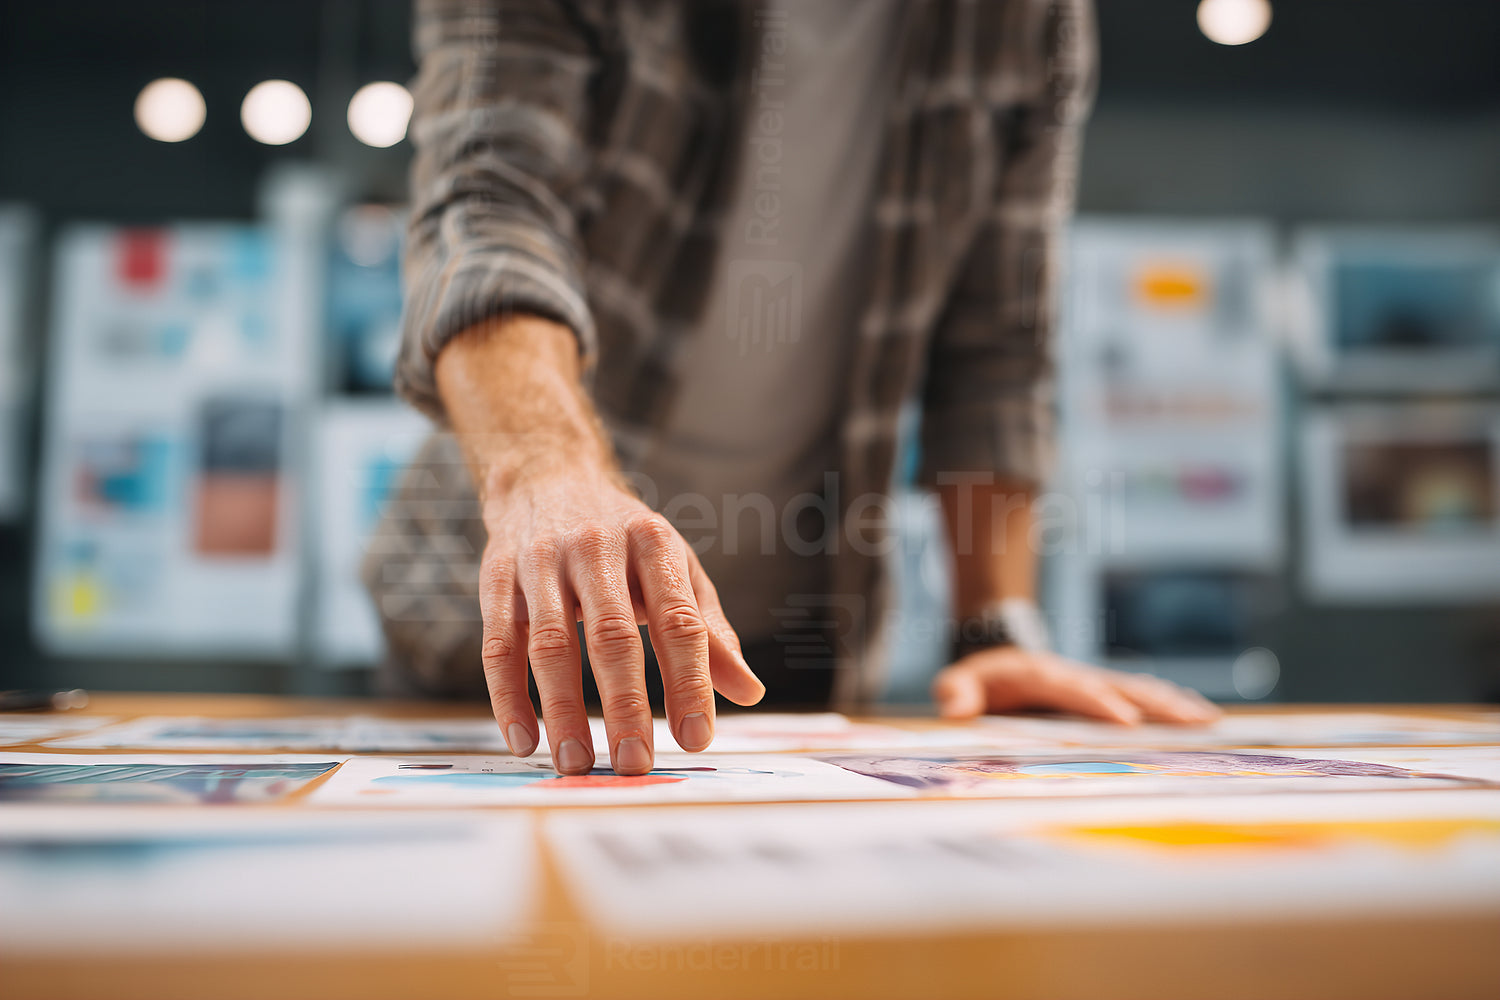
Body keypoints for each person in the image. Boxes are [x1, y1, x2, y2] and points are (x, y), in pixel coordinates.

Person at [365, 0, 1219, 778]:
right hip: (507, 628)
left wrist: (993, 628)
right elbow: (486, 215)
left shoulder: (1027, 18)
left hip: (794, 640)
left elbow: (996, 347)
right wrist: (549, 475)